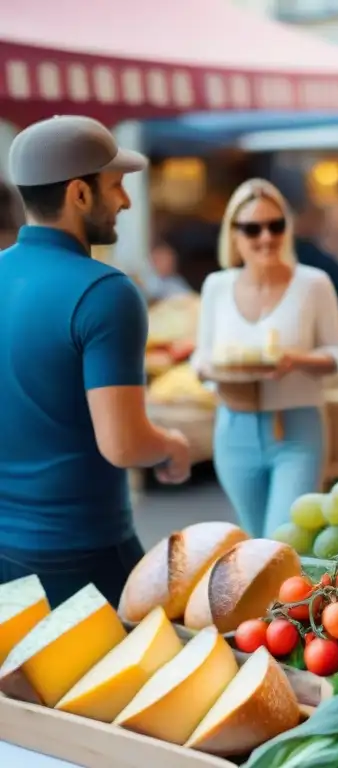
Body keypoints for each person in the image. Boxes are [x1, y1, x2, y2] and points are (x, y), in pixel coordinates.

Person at [0, 116, 191, 605]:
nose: (126, 200)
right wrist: (171, 445)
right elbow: (124, 444)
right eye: (116, 185)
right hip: (83, 551)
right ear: (79, 195)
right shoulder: (106, 292)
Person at [192, 179, 338, 537]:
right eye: (252, 228)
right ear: (233, 234)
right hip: (234, 429)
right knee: (252, 541)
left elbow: (337, 357)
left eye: (276, 225)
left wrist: (296, 360)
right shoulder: (217, 286)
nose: (266, 237)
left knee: (285, 540)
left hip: (297, 428)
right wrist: (211, 369)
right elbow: (201, 357)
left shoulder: (313, 283)